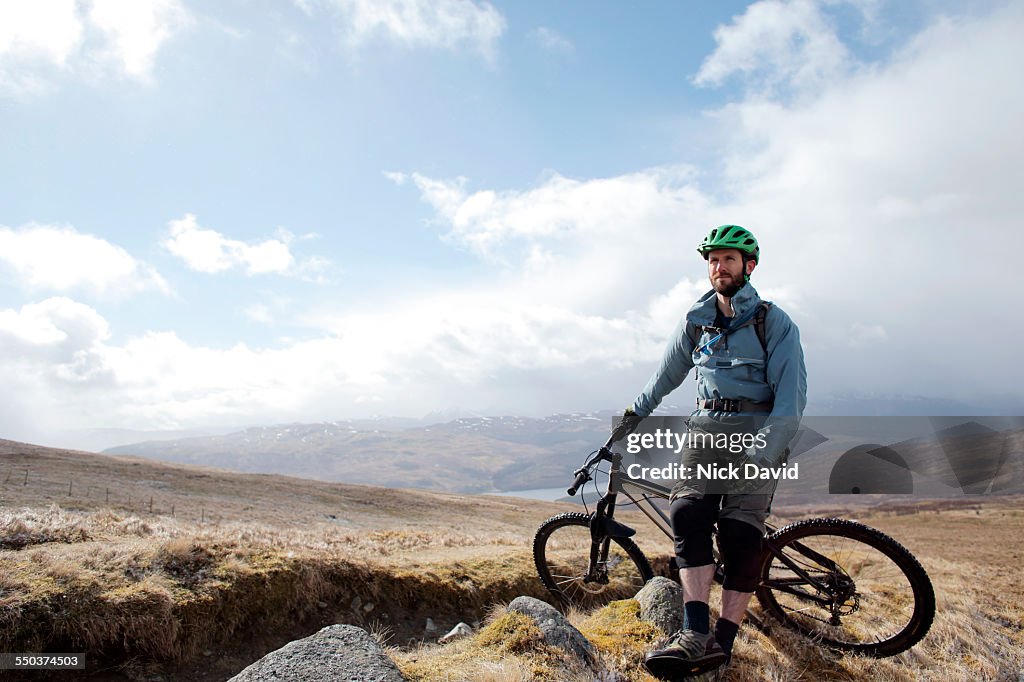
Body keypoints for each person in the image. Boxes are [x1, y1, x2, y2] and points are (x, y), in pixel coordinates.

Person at [620, 225, 807, 679]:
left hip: (757, 433)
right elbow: (665, 375)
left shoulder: (773, 322)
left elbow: (791, 398)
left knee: (740, 534)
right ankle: (692, 634)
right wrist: (633, 415)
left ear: (749, 266)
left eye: (728, 260)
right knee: (687, 514)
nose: (718, 268)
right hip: (705, 431)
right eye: (712, 261)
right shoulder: (695, 321)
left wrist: (764, 452)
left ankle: (722, 643)